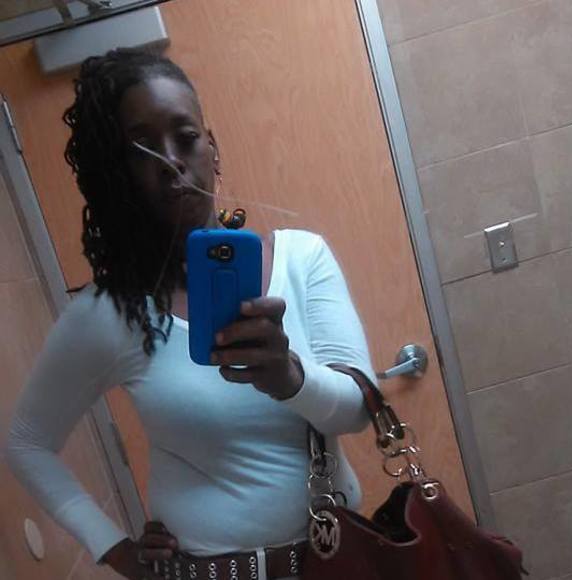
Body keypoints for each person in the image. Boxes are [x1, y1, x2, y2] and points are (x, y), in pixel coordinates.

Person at [5, 48, 376, 580]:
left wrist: (291, 377)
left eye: (185, 137)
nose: (170, 161)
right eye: (141, 150)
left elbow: (356, 412)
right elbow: (25, 442)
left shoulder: (303, 258)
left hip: (336, 563)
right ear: (116, 174)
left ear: (212, 147)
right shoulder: (108, 314)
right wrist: (116, 549)